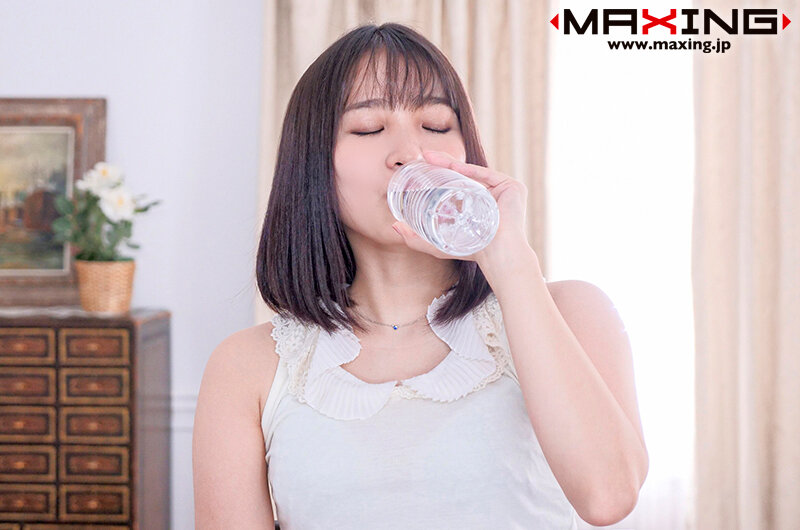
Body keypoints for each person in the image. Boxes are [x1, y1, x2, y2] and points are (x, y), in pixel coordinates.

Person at [193, 22, 648, 529]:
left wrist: (510, 262)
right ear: (313, 164)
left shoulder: (570, 313)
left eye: (435, 124)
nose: (409, 152)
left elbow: (608, 497)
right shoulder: (248, 366)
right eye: (369, 128)